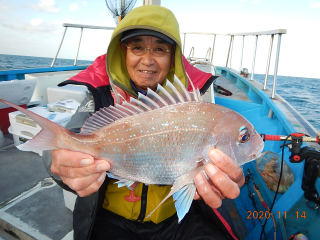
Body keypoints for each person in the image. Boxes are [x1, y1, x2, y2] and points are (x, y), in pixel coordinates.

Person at [43, 5, 244, 240]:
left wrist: (221, 179)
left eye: (159, 49)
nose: (147, 60)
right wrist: (58, 163)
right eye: (137, 47)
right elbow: (73, 136)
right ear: (123, 52)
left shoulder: (193, 104)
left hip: (177, 221)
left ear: (172, 57)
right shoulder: (100, 96)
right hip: (108, 218)